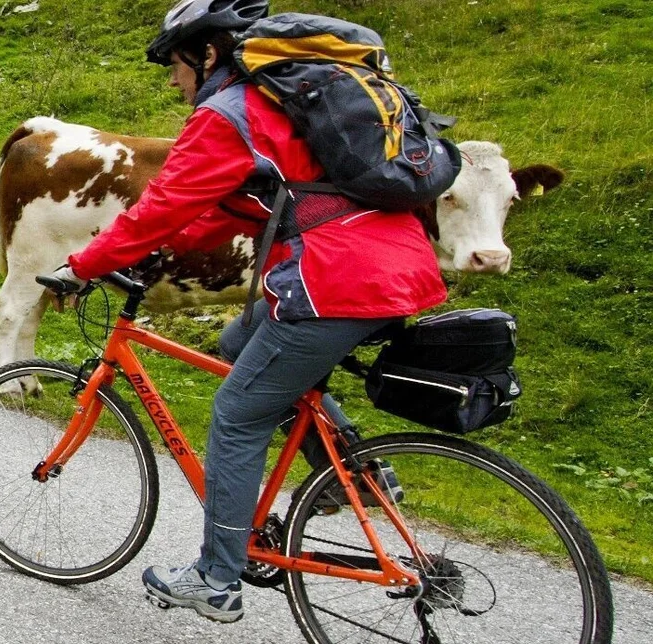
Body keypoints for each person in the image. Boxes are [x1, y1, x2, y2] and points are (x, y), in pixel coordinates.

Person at [41, 0, 447, 624]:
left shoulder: (227, 114)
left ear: (206, 54)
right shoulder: (283, 108)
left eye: (174, 65)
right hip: (396, 268)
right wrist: (157, 255)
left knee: (236, 412)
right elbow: (226, 209)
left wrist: (83, 264)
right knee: (239, 347)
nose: (173, 81)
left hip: (333, 282)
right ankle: (356, 478)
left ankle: (215, 577)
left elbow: (162, 204)